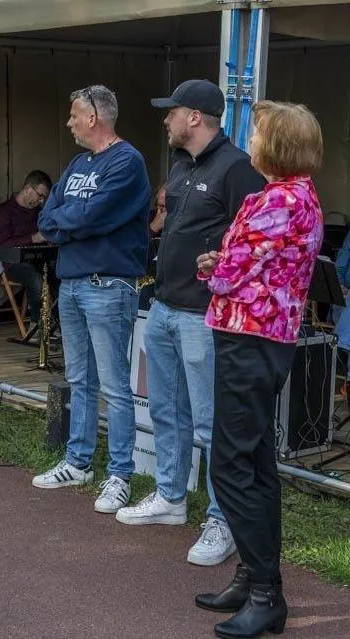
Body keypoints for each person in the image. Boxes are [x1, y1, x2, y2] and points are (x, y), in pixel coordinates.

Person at [115, 80, 267, 568]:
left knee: (211, 421)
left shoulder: (238, 168)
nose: (166, 120)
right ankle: (171, 497)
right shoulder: (182, 164)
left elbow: (252, 244)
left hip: (204, 316)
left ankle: (223, 519)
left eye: (172, 112)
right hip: (164, 307)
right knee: (166, 410)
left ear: (195, 117)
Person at [195, 101, 324, 639]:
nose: (249, 139)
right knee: (255, 462)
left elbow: (229, 274)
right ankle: (254, 579)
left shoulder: (277, 200)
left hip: (249, 342)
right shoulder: (297, 196)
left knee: (230, 464)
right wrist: (224, 263)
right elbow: (246, 264)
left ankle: (266, 591)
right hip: (264, 341)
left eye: (257, 132)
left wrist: (214, 266)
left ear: (276, 145)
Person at [31, 85, 150, 515]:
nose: (69, 123)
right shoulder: (78, 163)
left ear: (93, 118)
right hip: (73, 283)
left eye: (73, 115)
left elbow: (91, 216)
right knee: (80, 379)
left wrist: (68, 224)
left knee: (115, 386)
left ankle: (120, 475)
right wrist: (70, 224)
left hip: (108, 285)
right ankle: (78, 462)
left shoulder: (128, 162)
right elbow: (47, 217)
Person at [0, 170, 53, 326]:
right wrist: (33, 238)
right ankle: (38, 328)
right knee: (36, 280)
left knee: (64, 273)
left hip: (41, 259)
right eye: (40, 195)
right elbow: (2, 246)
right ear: (28, 189)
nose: (42, 201)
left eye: (44, 197)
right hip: (14, 263)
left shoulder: (41, 212)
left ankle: (58, 323)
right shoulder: (3, 212)